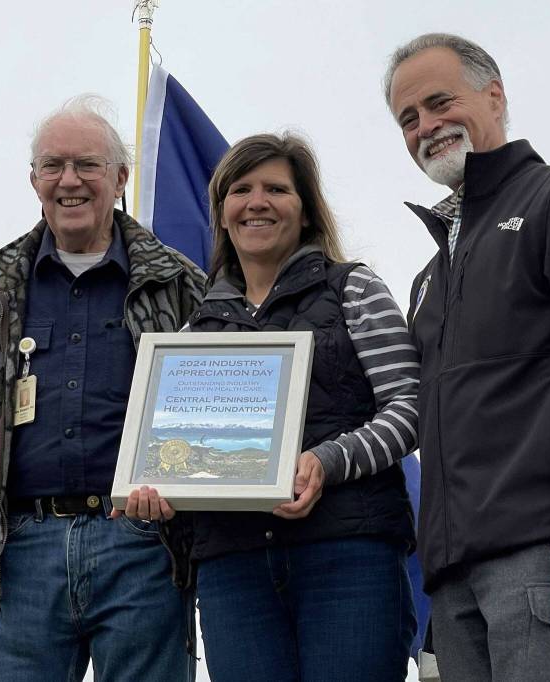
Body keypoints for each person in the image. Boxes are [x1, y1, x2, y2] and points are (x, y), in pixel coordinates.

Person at [384, 33, 550, 680]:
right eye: (408, 119)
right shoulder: (428, 276)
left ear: (495, 95)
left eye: (439, 101)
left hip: (549, 551)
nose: (426, 126)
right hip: (451, 580)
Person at [0, 96, 206, 681]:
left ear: (121, 178)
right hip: (21, 556)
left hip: (145, 550)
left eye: (88, 165)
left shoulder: (180, 286)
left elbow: (213, 422)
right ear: (34, 180)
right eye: (52, 166)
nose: (69, 181)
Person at [123, 132, 419, 681]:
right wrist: (157, 490)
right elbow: (175, 458)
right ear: (222, 213)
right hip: (234, 572)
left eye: (276, 189)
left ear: (306, 211)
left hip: (348, 557)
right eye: (240, 189)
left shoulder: (354, 290)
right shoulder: (192, 334)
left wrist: (327, 460)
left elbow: (409, 406)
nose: (256, 202)